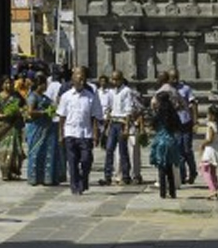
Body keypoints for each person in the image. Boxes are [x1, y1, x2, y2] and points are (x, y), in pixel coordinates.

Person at [54, 65, 101, 195]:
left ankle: (84, 178)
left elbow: (95, 117)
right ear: (72, 79)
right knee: (72, 161)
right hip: (70, 133)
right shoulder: (66, 96)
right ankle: (75, 186)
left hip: (86, 133)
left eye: (83, 78)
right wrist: (60, 134)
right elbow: (62, 117)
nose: (80, 80)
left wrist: (96, 134)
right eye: (78, 78)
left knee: (86, 160)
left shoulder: (91, 96)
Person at [23, 76, 64, 186]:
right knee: (36, 152)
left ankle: (48, 178)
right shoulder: (33, 97)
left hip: (48, 128)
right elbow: (30, 112)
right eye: (44, 84)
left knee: (48, 153)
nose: (46, 86)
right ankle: (34, 178)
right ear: (39, 84)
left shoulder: (45, 97)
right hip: (37, 128)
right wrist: (44, 112)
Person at [102, 70, 140, 185]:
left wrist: (127, 127)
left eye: (116, 79)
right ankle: (107, 176)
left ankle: (126, 175)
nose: (114, 81)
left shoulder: (126, 91)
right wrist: (107, 125)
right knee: (109, 149)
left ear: (121, 79)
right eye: (112, 79)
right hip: (113, 122)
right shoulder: (111, 92)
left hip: (122, 122)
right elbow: (109, 108)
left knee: (123, 151)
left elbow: (128, 109)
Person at [148, 87, 184, 198]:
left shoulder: (158, 114)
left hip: (160, 142)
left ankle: (162, 192)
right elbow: (178, 127)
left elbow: (152, 126)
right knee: (170, 168)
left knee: (161, 168)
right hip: (171, 141)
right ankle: (172, 192)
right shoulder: (173, 114)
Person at [0, 76, 25, 180]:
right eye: (6, 83)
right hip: (3, 127)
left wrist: (19, 112)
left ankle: (14, 171)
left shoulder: (16, 97)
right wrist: (2, 115)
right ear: (2, 85)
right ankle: (5, 172)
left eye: (10, 83)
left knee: (15, 150)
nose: (8, 85)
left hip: (14, 126)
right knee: (4, 151)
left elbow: (24, 107)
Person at [199, 104, 218, 199]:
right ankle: (215, 189)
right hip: (216, 149)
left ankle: (212, 190)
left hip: (210, 150)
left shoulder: (210, 126)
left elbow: (209, 139)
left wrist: (203, 144)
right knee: (213, 172)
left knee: (205, 171)